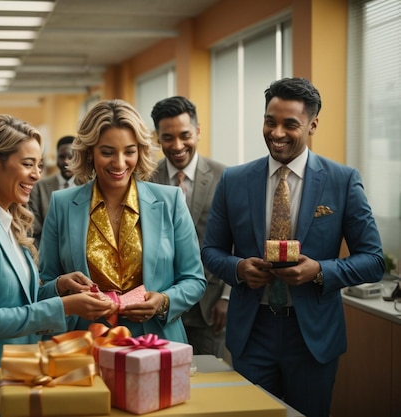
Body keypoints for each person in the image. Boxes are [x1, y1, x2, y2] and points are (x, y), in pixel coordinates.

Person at [201, 77, 384, 417]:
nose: (277, 132)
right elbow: (211, 250)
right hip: (251, 331)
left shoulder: (342, 181)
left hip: (312, 338)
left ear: (313, 124)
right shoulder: (234, 180)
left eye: (290, 124)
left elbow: (373, 260)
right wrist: (239, 269)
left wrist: (320, 271)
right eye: (270, 121)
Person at [0, 114, 116, 417]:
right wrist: (66, 307)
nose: (36, 175)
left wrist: (58, 288)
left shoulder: (9, 222)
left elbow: (18, 301)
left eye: (39, 166)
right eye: (27, 164)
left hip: (18, 381)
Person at [39, 99, 207, 342]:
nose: (119, 163)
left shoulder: (170, 201)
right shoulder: (62, 204)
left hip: (156, 341)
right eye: (107, 152)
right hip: (84, 343)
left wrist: (163, 301)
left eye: (129, 151)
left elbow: (194, 280)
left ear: (140, 151)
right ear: (89, 153)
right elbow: (44, 288)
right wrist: (64, 290)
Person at [149, 96, 229, 358]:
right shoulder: (145, 178)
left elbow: (239, 239)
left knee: (209, 381)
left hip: (210, 304)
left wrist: (228, 297)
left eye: (185, 135)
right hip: (158, 305)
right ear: (157, 138)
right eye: (167, 138)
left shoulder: (225, 177)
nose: (177, 145)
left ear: (197, 131)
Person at [28, 135, 75, 247]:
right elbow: (35, 230)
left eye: (71, 157)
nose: (66, 162)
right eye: (61, 157)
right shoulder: (39, 187)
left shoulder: (88, 187)